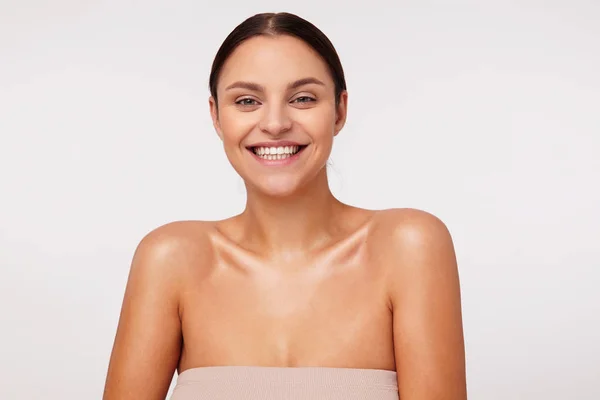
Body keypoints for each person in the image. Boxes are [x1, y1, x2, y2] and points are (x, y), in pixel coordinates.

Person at [102, 12, 467, 400]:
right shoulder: (170, 259)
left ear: (340, 111)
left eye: (303, 98)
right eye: (247, 101)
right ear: (216, 116)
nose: (275, 123)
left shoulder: (409, 247)